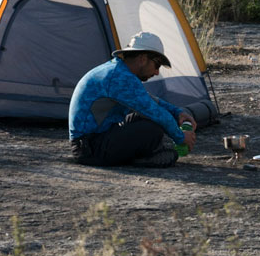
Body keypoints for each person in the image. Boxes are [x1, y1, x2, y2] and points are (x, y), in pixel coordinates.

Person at [69, 31, 197, 167]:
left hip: (94, 140)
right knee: (152, 130)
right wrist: (181, 137)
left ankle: (139, 155)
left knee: (146, 119)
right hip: (90, 148)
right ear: (142, 59)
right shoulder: (119, 77)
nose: (156, 72)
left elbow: (149, 100)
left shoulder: (119, 71)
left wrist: (177, 112)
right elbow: (154, 111)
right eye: (157, 65)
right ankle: (141, 159)